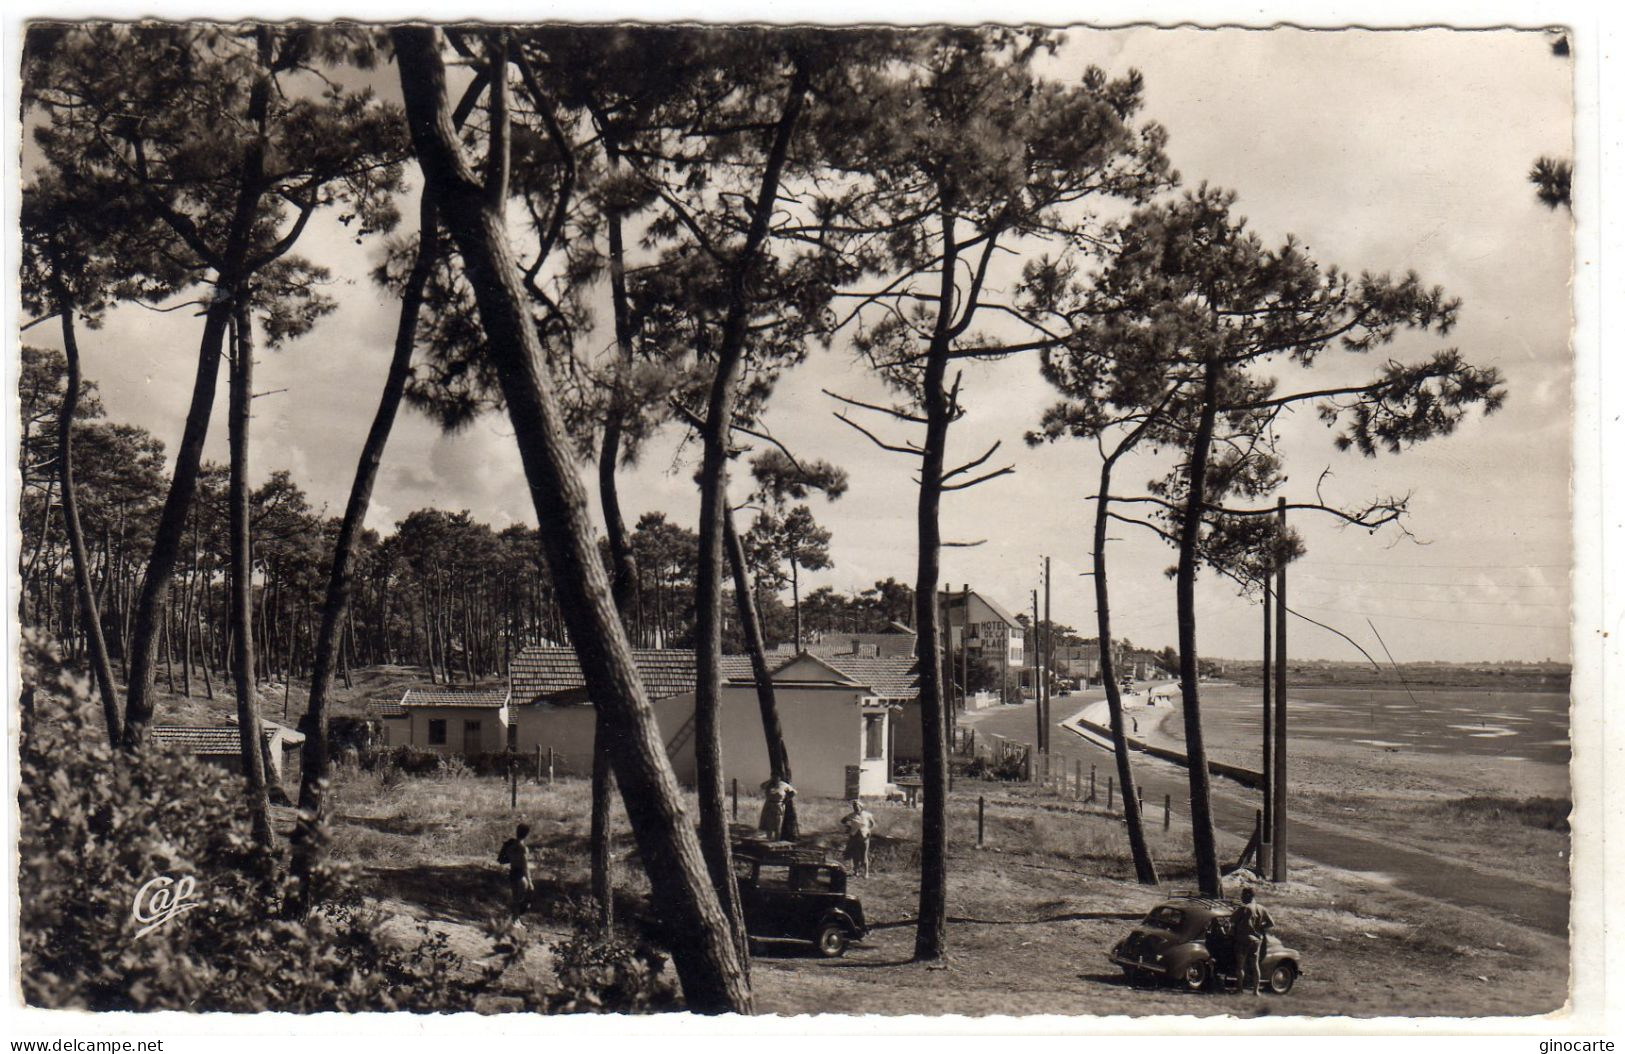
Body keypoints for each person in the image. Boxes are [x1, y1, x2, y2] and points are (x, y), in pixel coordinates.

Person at [1229, 886, 1275, 995]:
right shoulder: (1262, 908)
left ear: (1248, 895)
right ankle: (1256, 991)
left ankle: (1239, 989)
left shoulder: (1244, 908)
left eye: (1243, 895)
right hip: (1256, 940)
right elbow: (1271, 923)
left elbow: (1231, 919)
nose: (1241, 897)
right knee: (1255, 965)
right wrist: (1259, 927)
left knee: (1240, 966)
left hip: (1243, 939)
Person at [497, 823, 533, 923]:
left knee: (515, 898)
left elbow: (504, 859)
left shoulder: (510, 845)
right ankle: (516, 919)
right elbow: (525, 867)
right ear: (527, 834)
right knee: (523, 899)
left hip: (513, 872)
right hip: (521, 874)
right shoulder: (523, 848)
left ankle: (515, 919)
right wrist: (530, 882)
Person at [841, 799, 876, 877]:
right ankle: (856, 871)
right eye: (854, 807)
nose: (856, 808)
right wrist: (848, 827)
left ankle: (866, 873)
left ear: (861, 806)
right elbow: (843, 820)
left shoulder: (867, 815)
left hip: (864, 836)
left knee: (864, 855)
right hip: (854, 836)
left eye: (857, 806)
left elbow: (873, 824)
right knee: (855, 854)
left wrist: (869, 830)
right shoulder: (851, 815)